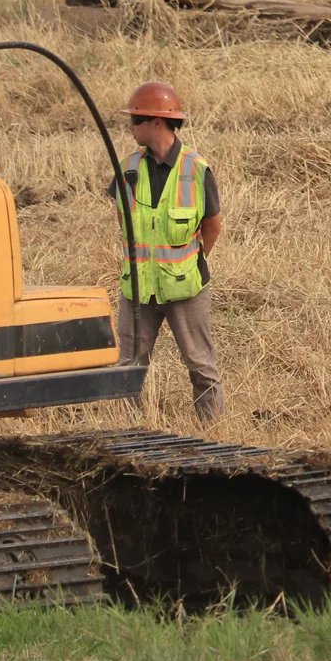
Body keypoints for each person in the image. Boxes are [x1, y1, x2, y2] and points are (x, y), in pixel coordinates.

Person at [113, 80, 224, 424]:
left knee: (201, 366)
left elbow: (213, 224)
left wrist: (190, 259)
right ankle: (125, 433)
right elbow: (123, 216)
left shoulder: (195, 169)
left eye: (135, 120)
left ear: (156, 123)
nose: (130, 127)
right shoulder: (128, 167)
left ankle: (213, 432)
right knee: (128, 368)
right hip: (138, 288)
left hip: (184, 287)